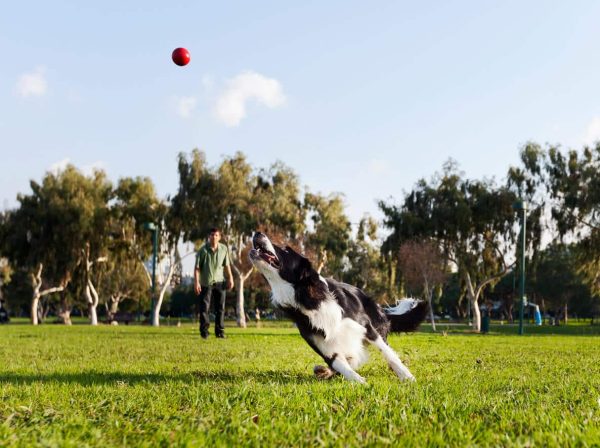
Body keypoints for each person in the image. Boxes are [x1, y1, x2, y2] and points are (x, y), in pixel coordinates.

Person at [194, 227, 234, 339]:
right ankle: (204, 332)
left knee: (220, 308)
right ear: (209, 237)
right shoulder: (203, 250)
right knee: (204, 309)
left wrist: (230, 278)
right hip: (206, 283)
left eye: (216, 235)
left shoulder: (224, 249)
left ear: (219, 237)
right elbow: (197, 268)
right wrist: (196, 283)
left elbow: (227, 265)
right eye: (212, 235)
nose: (214, 237)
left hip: (220, 283)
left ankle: (220, 332)